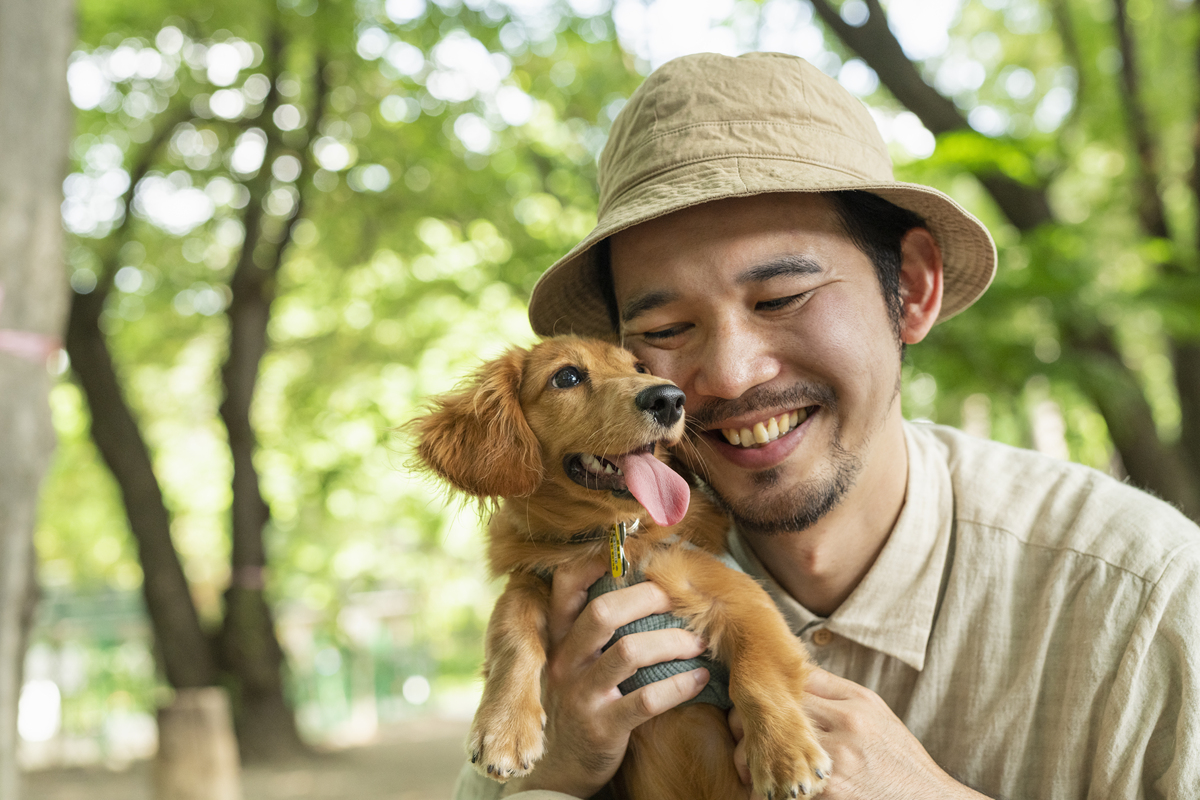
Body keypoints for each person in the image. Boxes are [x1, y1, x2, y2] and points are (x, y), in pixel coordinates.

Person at [453, 52, 1200, 799]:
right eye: (670, 328)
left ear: (910, 289)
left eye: (781, 298)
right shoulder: (571, 611)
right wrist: (555, 779)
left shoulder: (1149, 598)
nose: (733, 375)